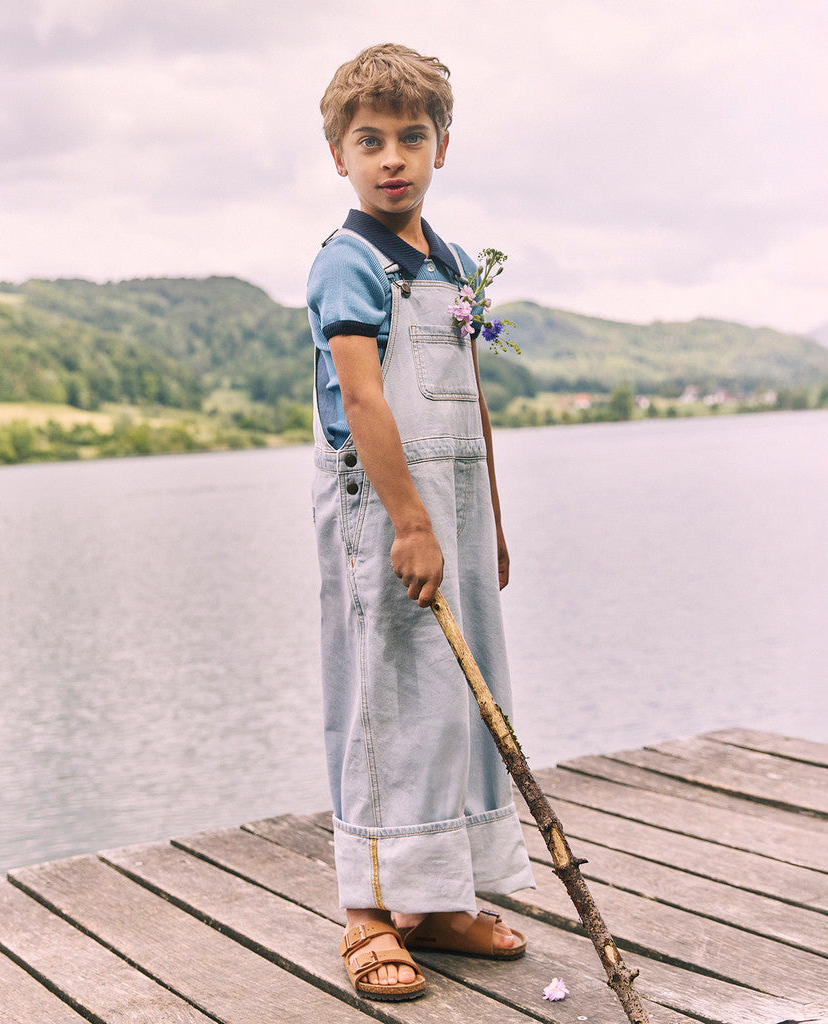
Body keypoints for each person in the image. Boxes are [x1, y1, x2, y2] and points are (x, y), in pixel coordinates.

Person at [307, 43, 536, 1001]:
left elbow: (468, 393)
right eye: (371, 141)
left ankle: (438, 898)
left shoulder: (446, 262)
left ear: (443, 145)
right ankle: (368, 911)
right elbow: (365, 404)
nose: (392, 156)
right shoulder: (348, 264)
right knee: (384, 701)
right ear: (340, 157)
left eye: (412, 136)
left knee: (456, 700)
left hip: (452, 511)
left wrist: (487, 517)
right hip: (383, 508)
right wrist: (408, 520)